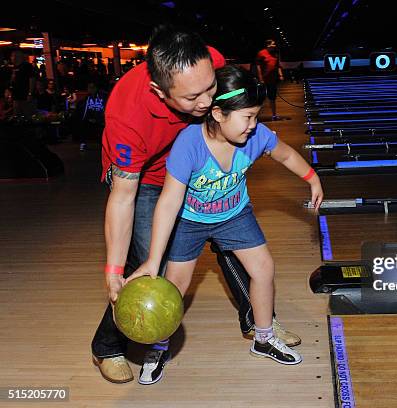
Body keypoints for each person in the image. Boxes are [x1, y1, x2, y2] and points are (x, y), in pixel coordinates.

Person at [91, 25, 301, 385]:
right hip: (143, 181)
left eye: (210, 89)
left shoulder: (209, 64)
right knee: (150, 266)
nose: (206, 103)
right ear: (160, 91)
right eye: (192, 98)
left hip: (195, 168)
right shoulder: (127, 117)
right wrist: (112, 271)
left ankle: (259, 322)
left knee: (232, 235)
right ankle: (108, 345)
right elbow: (123, 197)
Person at [126, 65, 323, 384]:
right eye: (247, 117)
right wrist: (152, 259)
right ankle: (158, 347)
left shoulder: (256, 136)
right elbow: (169, 202)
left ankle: (263, 337)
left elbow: (285, 155)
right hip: (190, 220)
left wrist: (312, 178)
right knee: (174, 286)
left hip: (234, 214)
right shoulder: (188, 145)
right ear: (217, 113)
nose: (253, 125)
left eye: (256, 116)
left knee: (263, 269)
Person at [255, 39, 283, 120]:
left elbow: (277, 66)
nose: (275, 45)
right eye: (273, 44)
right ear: (268, 45)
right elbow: (258, 66)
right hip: (263, 80)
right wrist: (260, 78)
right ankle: (256, 117)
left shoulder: (275, 54)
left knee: (273, 98)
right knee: (261, 99)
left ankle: (274, 115)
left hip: (272, 80)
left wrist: (280, 75)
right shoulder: (261, 53)